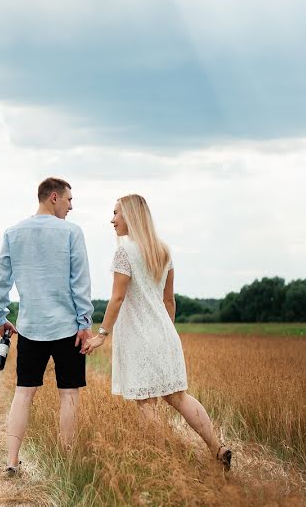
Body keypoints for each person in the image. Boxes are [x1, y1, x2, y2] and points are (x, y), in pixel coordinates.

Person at [81, 194, 233, 470]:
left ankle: (163, 465)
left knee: (146, 403)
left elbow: (116, 299)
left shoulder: (125, 252)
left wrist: (102, 333)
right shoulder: (163, 250)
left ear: (131, 217)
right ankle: (217, 448)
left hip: (140, 338)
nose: (112, 220)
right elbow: (169, 300)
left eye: (116, 214)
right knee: (178, 397)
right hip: (165, 334)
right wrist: (165, 333)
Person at [0, 177, 94, 475]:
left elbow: (2, 280)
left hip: (30, 327)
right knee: (69, 395)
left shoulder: (13, 233)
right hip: (67, 329)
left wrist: (1, 317)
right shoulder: (72, 233)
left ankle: (11, 461)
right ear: (53, 197)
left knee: (23, 393)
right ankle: (65, 462)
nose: (71, 206)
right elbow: (80, 282)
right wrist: (84, 323)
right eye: (69, 200)